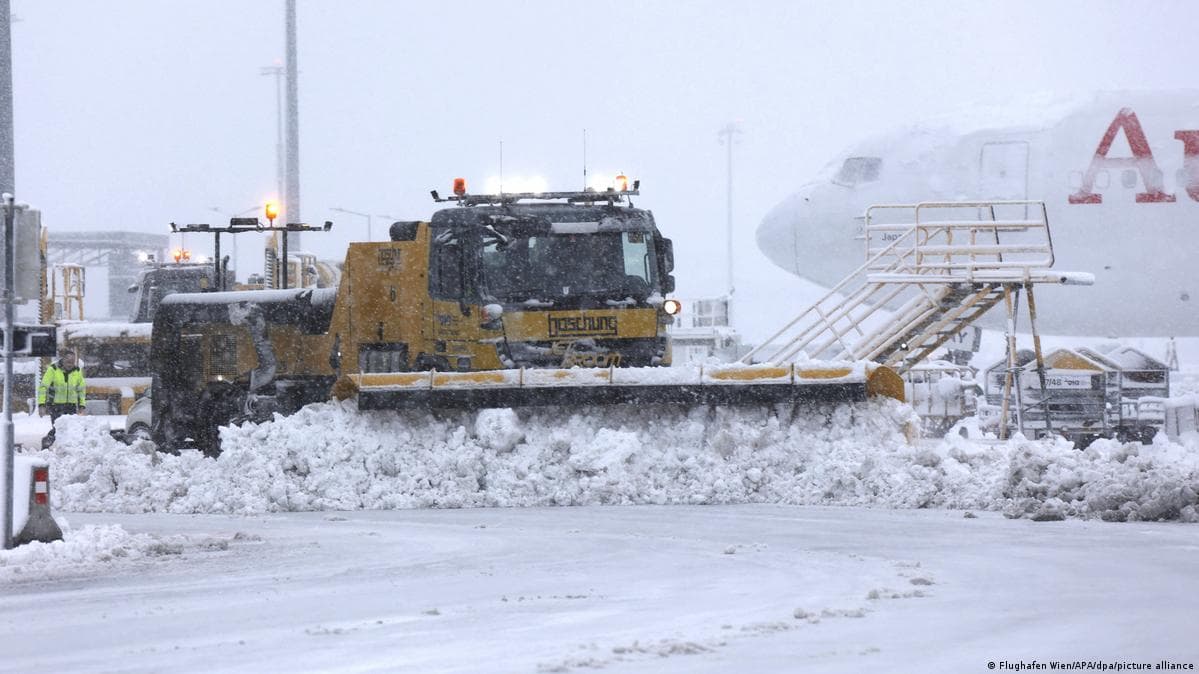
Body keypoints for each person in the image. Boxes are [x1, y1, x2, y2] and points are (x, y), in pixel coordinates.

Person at [38, 350, 86, 448]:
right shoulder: (53, 369)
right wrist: (41, 404)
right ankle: (46, 443)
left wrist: (82, 405)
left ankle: (68, 449)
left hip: (71, 405)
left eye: (72, 362)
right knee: (58, 428)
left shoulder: (77, 371)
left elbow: (81, 389)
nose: (70, 364)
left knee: (70, 428)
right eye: (68, 362)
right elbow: (43, 387)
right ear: (62, 360)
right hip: (55, 405)